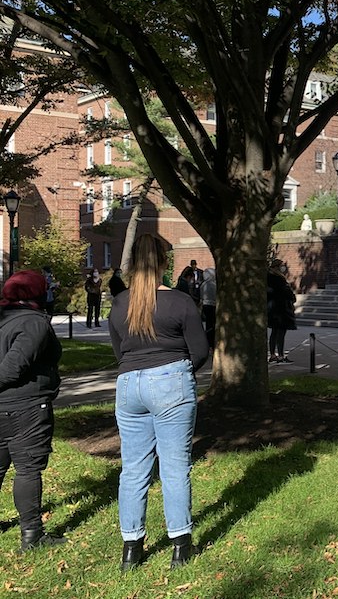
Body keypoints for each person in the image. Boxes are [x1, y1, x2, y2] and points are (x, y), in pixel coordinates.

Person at [108, 234, 208, 571]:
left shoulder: (120, 303)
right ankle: (180, 544)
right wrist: (178, 374)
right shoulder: (181, 302)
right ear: (165, 262)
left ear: (133, 263)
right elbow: (200, 351)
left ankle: (131, 549)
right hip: (170, 380)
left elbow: (118, 350)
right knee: (175, 466)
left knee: (134, 469)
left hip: (129, 384)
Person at [0, 270, 66, 552]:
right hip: (25, 405)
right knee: (27, 469)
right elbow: (13, 367)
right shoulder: (33, 323)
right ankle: (32, 535)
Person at [267, 259, 297, 363]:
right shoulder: (278, 279)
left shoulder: (268, 278)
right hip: (281, 309)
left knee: (274, 332)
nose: (283, 268)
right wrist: (292, 297)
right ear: (277, 267)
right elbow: (286, 292)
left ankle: (272, 354)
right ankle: (280, 355)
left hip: (272, 308)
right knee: (281, 333)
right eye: (281, 266)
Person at [200, 268, 217, 348]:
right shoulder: (214, 284)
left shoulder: (203, 284)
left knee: (206, 324)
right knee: (212, 324)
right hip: (213, 306)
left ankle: (207, 341)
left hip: (205, 305)